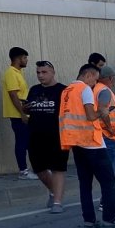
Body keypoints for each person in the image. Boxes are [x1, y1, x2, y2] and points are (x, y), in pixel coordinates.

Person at [59, 64, 115, 228]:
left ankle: (89, 220)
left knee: (85, 184)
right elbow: (91, 115)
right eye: (94, 78)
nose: (94, 82)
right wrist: (103, 111)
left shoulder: (66, 91)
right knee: (109, 182)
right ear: (89, 75)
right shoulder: (84, 90)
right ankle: (110, 218)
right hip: (92, 143)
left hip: (76, 143)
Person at [24, 60, 68, 213]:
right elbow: (28, 110)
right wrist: (25, 108)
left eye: (44, 72)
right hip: (35, 135)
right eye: (38, 72)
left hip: (57, 136)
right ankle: (54, 191)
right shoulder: (34, 90)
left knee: (58, 168)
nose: (40, 75)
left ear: (52, 72)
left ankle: (57, 202)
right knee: (39, 169)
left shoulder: (63, 90)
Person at [94, 66, 115, 213]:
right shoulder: (104, 90)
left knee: (109, 171)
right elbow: (102, 110)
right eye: (114, 77)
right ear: (110, 78)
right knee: (111, 172)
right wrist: (109, 127)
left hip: (108, 136)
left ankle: (107, 200)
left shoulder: (98, 89)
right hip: (109, 137)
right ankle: (108, 202)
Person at [2, 47, 38, 180]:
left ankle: (33, 169)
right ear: (18, 58)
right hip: (18, 115)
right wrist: (22, 114)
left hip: (23, 113)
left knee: (28, 141)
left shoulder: (18, 72)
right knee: (22, 142)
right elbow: (13, 94)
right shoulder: (11, 73)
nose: (26, 60)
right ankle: (23, 171)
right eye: (24, 58)